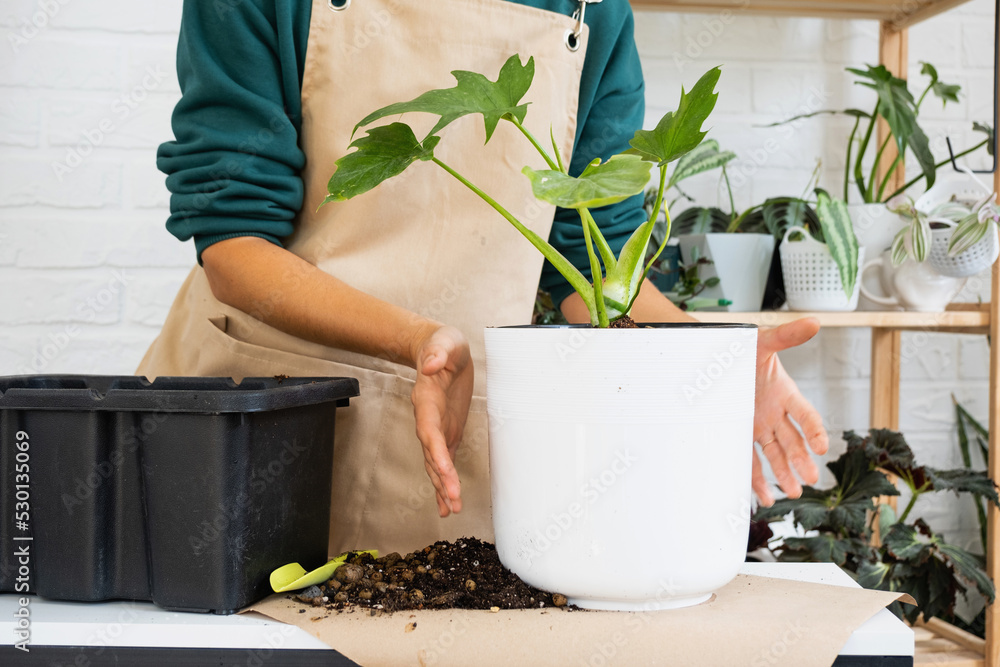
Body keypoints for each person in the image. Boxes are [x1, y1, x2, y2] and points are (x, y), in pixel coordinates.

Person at [141, 0, 828, 556]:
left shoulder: (591, 13)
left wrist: (710, 357)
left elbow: (595, 271)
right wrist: (416, 336)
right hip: (254, 446)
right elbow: (233, 242)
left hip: (451, 470)